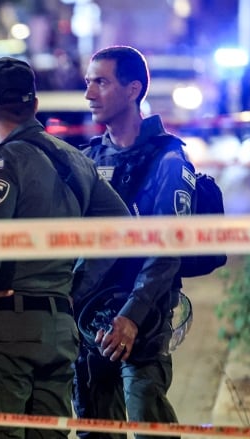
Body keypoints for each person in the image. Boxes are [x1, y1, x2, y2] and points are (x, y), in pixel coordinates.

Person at [0, 57, 129, 439]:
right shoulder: (74, 159)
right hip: (57, 330)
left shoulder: (0, 161)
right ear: (35, 105)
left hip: (5, 328)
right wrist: (75, 287)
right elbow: (121, 226)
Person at [73, 45, 192, 439]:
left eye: (101, 82)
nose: (89, 93)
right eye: (88, 82)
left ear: (132, 89)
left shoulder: (168, 159)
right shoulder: (86, 158)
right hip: (89, 325)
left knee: (149, 426)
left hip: (142, 324)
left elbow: (167, 251)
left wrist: (130, 316)